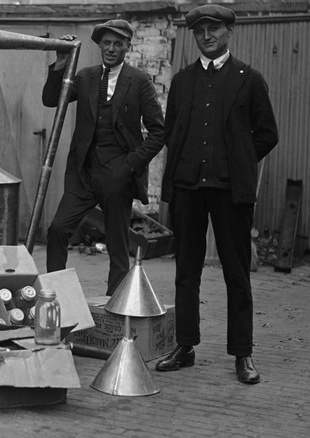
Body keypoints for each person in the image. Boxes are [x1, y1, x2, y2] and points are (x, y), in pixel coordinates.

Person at [156, 5, 278, 384]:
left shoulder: (249, 80)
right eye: (200, 31)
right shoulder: (182, 81)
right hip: (188, 189)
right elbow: (173, 131)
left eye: (214, 29)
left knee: (236, 274)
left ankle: (243, 354)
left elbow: (266, 134)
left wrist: (238, 161)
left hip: (229, 191)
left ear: (228, 31)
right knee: (185, 272)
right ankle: (185, 346)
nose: (207, 36)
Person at [42, 20, 164, 295]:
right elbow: (51, 99)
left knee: (118, 246)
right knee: (58, 229)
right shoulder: (85, 77)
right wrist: (61, 62)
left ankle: (115, 309)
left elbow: (159, 132)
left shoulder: (139, 81)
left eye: (118, 44)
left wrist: (130, 165)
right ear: (99, 45)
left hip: (118, 175)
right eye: (106, 43)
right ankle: (55, 297)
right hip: (83, 174)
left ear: (127, 48)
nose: (111, 49)